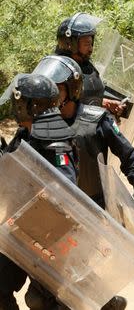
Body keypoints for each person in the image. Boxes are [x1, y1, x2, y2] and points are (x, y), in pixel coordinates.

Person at [31, 54, 134, 309]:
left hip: (90, 213)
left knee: (63, 287)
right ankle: (107, 302)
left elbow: (127, 154)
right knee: (40, 296)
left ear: (72, 89)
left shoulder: (97, 119)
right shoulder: (38, 124)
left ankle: (104, 301)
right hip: (51, 213)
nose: (49, 95)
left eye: (56, 88)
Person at [0, 73, 77, 310]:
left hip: (46, 237)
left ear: (31, 106)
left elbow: (65, 188)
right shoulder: (26, 135)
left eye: (19, 103)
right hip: (18, 229)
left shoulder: (56, 144)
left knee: (42, 300)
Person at [55, 12, 126, 115]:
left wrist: (104, 103)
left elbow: (83, 99)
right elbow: (60, 110)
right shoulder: (59, 72)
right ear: (70, 44)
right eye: (87, 44)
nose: (91, 49)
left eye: (91, 43)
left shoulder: (85, 65)